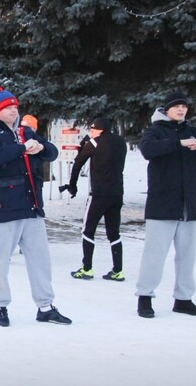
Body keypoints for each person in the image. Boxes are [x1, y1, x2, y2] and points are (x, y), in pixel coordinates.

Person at [135, 92, 196, 318]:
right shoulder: (155, 131)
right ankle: (145, 298)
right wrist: (179, 143)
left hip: (189, 206)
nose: (181, 110)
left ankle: (183, 299)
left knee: (187, 256)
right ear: (166, 109)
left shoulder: (193, 131)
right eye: (176, 107)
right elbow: (148, 150)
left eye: (184, 107)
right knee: (155, 254)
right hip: (162, 205)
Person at [0, 86, 72, 327]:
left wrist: (40, 147)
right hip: (4, 205)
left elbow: (51, 152)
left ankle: (45, 306)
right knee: (0, 260)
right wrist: (21, 149)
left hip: (31, 205)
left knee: (40, 258)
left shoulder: (25, 131)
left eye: (15, 107)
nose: (13, 111)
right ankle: (1, 305)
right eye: (8, 108)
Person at [61, 118, 128, 281]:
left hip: (98, 194)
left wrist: (72, 185)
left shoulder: (94, 143)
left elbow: (77, 164)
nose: (90, 132)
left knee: (88, 230)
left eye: (92, 129)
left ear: (99, 129)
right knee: (114, 232)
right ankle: (118, 270)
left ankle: (87, 268)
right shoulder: (121, 142)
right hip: (117, 193)